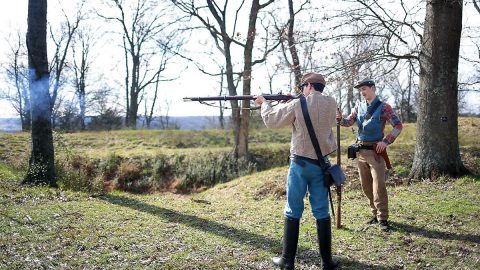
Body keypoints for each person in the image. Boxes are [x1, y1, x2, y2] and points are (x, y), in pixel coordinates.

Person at [254, 72, 339, 270]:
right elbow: (314, 107)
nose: (302, 90)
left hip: (300, 165)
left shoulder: (297, 104)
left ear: (309, 85)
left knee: (293, 208)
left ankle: (287, 260)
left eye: (303, 87)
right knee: (321, 211)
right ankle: (327, 262)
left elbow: (272, 121)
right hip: (322, 164)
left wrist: (264, 103)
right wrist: (294, 100)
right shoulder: (331, 102)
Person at [336, 78, 403, 231]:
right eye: (360, 90)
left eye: (364, 89)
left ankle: (383, 218)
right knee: (366, 186)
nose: (362, 92)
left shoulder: (384, 107)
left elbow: (398, 126)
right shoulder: (358, 106)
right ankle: (374, 213)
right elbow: (348, 122)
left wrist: (385, 142)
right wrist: (340, 119)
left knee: (378, 186)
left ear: (373, 88)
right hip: (360, 152)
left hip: (376, 153)